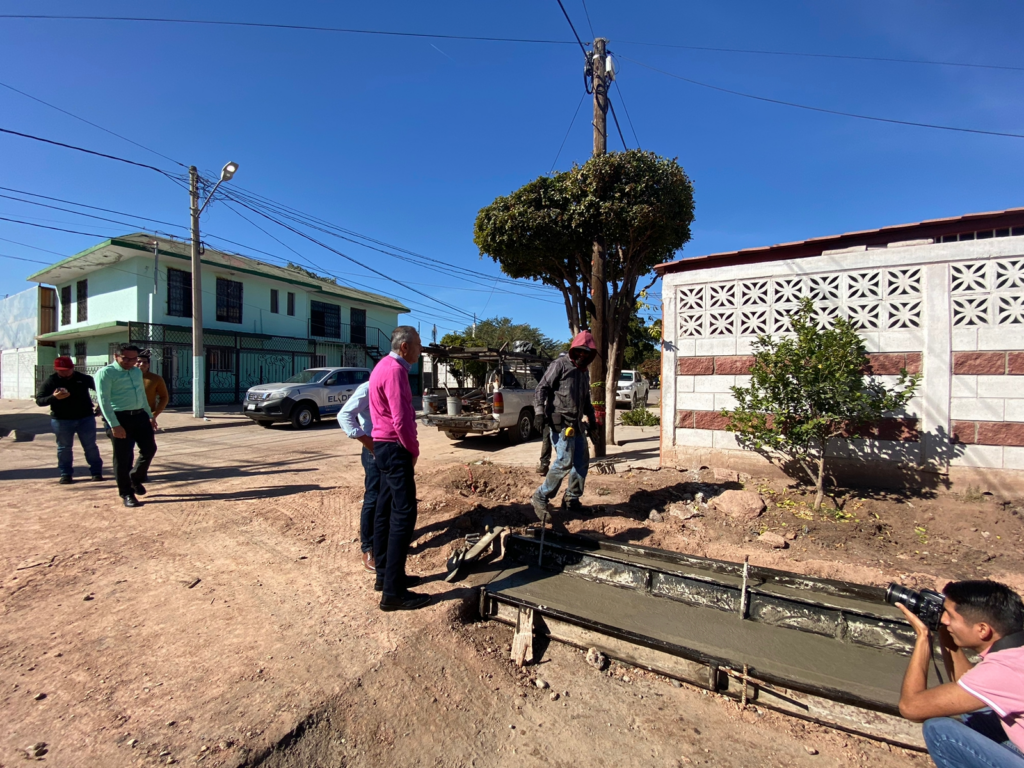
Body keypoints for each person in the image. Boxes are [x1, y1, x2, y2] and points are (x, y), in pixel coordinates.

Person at [897, 579, 1024, 767]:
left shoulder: (1001, 670)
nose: (944, 619)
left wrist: (923, 638)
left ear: (982, 629)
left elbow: (911, 708)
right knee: (977, 711)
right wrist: (944, 632)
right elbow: (971, 685)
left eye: (950, 616)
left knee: (940, 731)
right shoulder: (1014, 653)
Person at [369, 326, 429, 611]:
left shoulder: (381, 366)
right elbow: (402, 418)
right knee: (403, 515)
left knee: (384, 510)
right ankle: (392, 592)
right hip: (395, 448)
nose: (421, 348)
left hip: (382, 447)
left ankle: (386, 576)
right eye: (418, 344)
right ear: (404, 347)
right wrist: (413, 450)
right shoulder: (395, 371)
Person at [531, 331, 597, 519]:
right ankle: (540, 496)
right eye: (580, 351)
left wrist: (592, 423)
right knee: (564, 462)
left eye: (587, 353)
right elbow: (541, 388)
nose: (582, 355)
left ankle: (571, 500)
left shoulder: (584, 374)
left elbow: (586, 402)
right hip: (561, 426)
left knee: (582, 461)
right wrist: (538, 413)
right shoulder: (559, 365)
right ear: (573, 350)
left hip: (577, 425)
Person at [96, 344, 157, 508]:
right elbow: (104, 402)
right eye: (126, 359)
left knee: (149, 449)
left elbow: (142, 395)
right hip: (119, 417)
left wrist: (150, 416)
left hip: (140, 416)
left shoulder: (136, 372)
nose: (130, 362)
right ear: (116, 356)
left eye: (134, 359)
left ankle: (134, 478)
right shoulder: (106, 373)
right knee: (123, 458)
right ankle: (126, 493)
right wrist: (114, 425)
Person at [35, 355, 103, 484]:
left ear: (72, 368)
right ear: (56, 370)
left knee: (90, 446)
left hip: (85, 418)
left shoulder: (84, 379)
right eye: (61, 370)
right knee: (64, 448)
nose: (64, 372)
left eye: (67, 369)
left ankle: (96, 472)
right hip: (62, 420)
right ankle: (65, 474)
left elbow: (102, 392)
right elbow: (39, 400)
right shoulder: (51, 381)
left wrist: (101, 406)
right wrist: (54, 398)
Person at [338, 380, 377, 573]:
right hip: (374, 451)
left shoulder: (397, 384)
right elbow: (344, 415)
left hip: (393, 449)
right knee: (373, 497)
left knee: (391, 497)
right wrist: (368, 443)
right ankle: (368, 548)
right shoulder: (368, 387)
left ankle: (385, 539)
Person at [138, 353, 169, 420]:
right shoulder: (126, 378)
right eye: (139, 361)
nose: (141, 364)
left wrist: (155, 413)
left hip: (147, 415)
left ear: (148, 365)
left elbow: (164, 397)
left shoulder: (156, 379)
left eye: (145, 362)